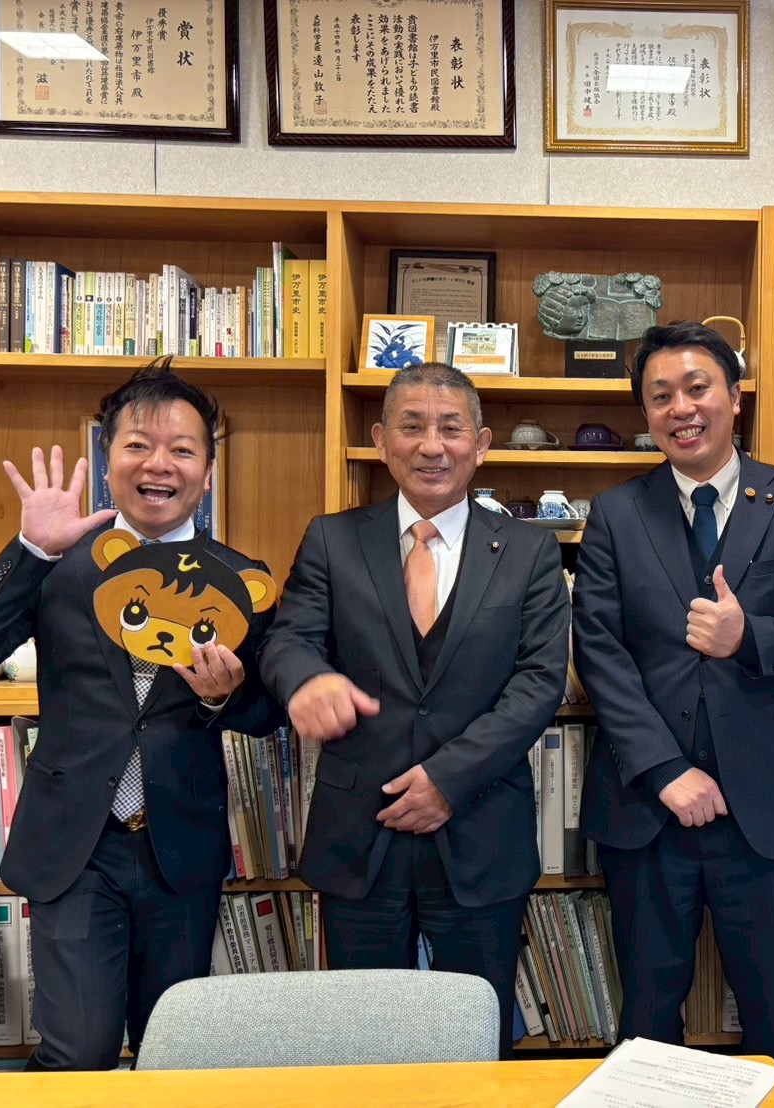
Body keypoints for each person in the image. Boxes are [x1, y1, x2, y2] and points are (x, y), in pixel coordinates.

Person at [0, 363, 280, 1070]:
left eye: (182, 450)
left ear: (208, 472)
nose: (159, 464)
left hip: (180, 847)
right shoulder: (61, 561)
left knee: (171, 1052)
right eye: (138, 446)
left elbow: (268, 710)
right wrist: (30, 551)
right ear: (107, 458)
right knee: (77, 1052)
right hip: (76, 846)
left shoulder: (241, 581)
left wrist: (221, 695)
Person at [572, 321, 774, 1088]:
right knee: (646, 1024)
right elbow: (598, 651)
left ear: (734, 397)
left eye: (697, 387)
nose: (680, 408)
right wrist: (665, 770)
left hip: (770, 817)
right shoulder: (616, 513)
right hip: (649, 813)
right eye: (659, 395)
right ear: (646, 413)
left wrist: (750, 637)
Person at [259, 362, 568, 1057]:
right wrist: (305, 681)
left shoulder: (528, 551)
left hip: (479, 830)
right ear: (380, 440)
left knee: (476, 1039)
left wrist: (447, 780)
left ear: (481, 444)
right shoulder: (333, 539)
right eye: (412, 426)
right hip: (357, 834)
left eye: (451, 428)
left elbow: (539, 682)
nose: (432, 445)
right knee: (364, 1044)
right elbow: (289, 639)